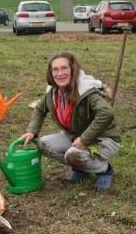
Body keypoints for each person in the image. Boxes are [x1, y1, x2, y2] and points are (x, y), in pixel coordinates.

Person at [18, 52, 120, 192]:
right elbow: (40, 109)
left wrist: (84, 140)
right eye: (55, 69)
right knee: (43, 144)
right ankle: (82, 168)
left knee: (73, 154)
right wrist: (32, 131)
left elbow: (106, 112)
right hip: (74, 136)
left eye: (64, 68)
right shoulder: (52, 91)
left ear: (73, 69)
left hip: (102, 139)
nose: (60, 73)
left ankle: (104, 170)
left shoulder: (85, 90)